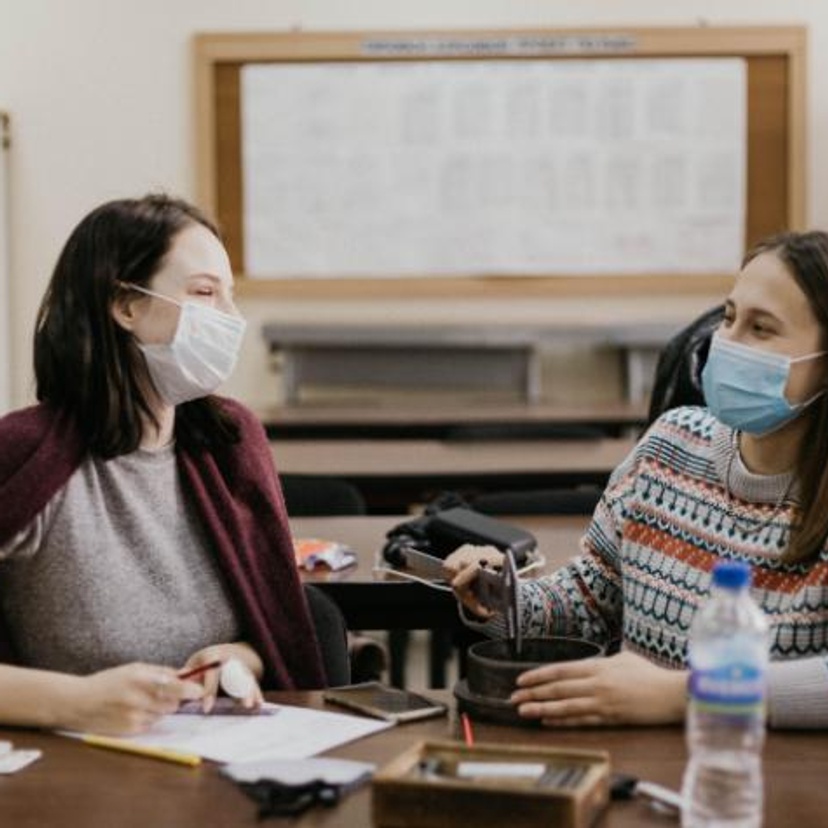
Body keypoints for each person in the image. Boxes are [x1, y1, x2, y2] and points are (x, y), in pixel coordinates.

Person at [447, 230, 828, 729]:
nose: (727, 343)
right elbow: (589, 599)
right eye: (729, 317)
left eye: (761, 329)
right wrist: (502, 596)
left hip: (774, 788)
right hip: (636, 773)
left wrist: (684, 696)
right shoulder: (668, 446)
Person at [0, 194, 325, 735]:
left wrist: (241, 659)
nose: (230, 319)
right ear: (125, 305)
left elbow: (277, 630)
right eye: (204, 292)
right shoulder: (23, 453)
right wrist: (73, 701)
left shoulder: (229, 443)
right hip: (68, 779)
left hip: (216, 760)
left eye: (230, 296)